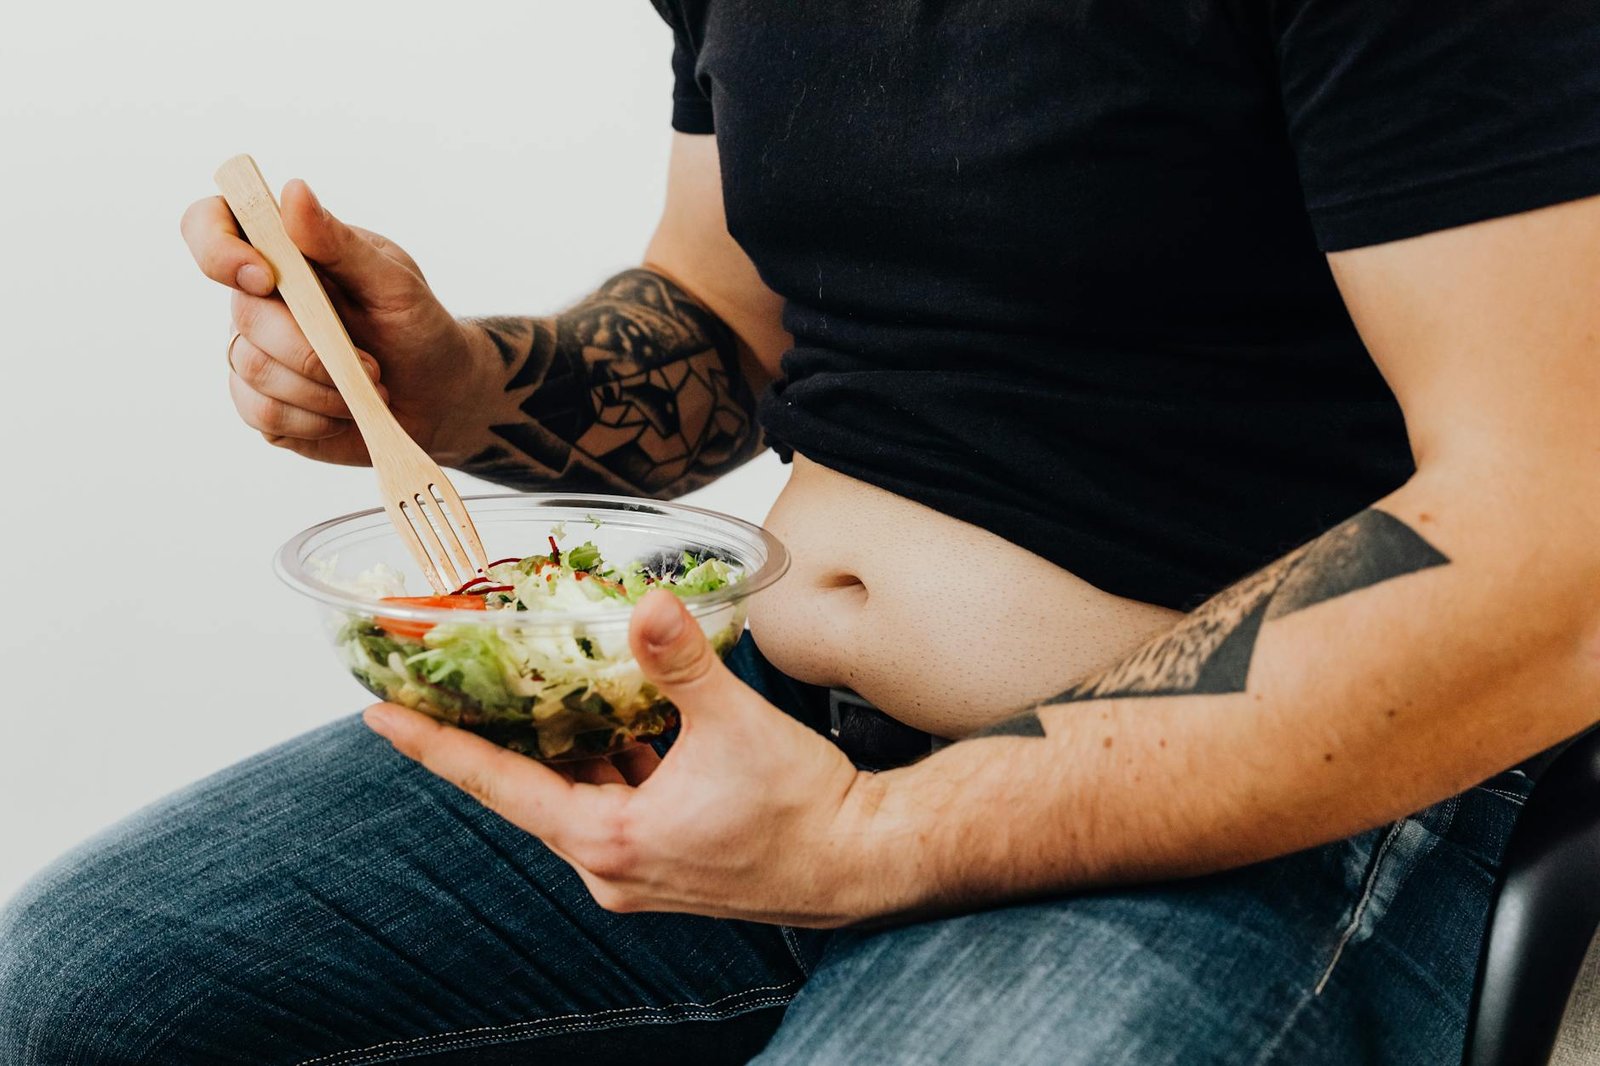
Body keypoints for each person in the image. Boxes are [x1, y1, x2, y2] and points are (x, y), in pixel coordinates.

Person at [4, 1, 1599, 1062]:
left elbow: (1556, 536)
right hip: (751, 715)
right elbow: (726, 315)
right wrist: (462, 379)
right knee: (75, 1000)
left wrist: (866, 843)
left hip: (1242, 802)